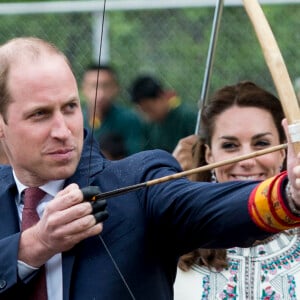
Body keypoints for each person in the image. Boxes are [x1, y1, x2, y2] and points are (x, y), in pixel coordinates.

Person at [1, 37, 300, 300]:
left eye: (69, 108)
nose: (63, 130)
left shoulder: (139, 182)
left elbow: (208, 207)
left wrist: (289, 193)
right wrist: (35, 245)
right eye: (40, 114)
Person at [173, 81, 300, 299]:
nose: (247, 160)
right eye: (230, 146)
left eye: (261, 143)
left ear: (283, 151)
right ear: (209, 155)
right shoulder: (169, 236)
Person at [81, 63, 144, 156]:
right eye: (94, 86)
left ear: (116, 88)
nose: (100, 93)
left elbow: (135, 156)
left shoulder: (129, 119)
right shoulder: (78, 119)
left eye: (105, 86)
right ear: (84, 89)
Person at [130, 74, 198, 153]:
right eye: (143, 111)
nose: (147, 116)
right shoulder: (149, 126)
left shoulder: (187, 117)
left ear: (161, 96)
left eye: (149, 109)